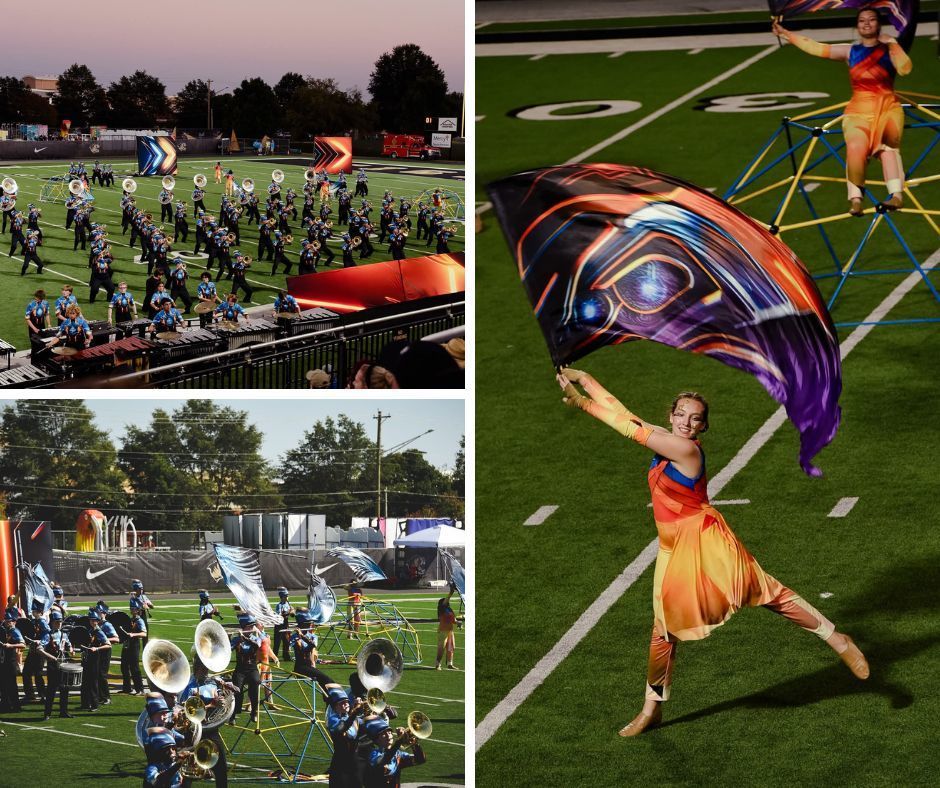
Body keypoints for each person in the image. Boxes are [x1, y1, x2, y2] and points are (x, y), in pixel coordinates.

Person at [556, 369, 870, 737]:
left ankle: (837, 638)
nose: (688, 422)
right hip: (671, 546)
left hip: (703, 537)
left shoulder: (684, 449)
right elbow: (625, 414)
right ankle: (651, 708)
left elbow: (628, 428)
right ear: (671, 415)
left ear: (703, 427)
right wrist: (586, 379)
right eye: (682, 415)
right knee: (662, 630)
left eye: (696, 418)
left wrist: (581, 402)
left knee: (763, 589)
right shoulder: (665, 438)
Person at [772, 9, 912, 215]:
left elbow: (905, 68)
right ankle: (855, 199)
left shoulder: (889, 50)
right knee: (855, 147)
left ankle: (896, 196)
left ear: (879, 25)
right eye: (862, 21)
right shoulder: (850, 52)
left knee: (888, 149)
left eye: (872, 20)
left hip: (887, 108)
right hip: (858, 110)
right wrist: (786, 34)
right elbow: (816, 48)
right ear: (857, 26)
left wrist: (892, 43)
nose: (866, 24)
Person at [364, 717, 427, 787]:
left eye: (389, 732)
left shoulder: (398, 754)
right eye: (383, 733)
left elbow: (420, 760)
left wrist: (414, 744)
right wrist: (399, 741)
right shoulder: (373, 754)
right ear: (377, 739)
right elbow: (384, 760)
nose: (388, 735)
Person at [38, 608, 74, 720]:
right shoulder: (47, 635)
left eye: (60, 622)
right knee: (51, 690)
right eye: (57, 622)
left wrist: (71, 649)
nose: (59, 624)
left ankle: (63, 711)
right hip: (53, 666)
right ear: (52, 622)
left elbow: (69, 645)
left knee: (64, 689)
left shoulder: (64, 634)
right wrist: (51, 657)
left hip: (63, 665)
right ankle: (47, 713)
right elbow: (39, 649)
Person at [325, 686, 365, 787]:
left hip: (355, 763)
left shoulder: (350, 716)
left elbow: (366, 724)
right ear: (335, 707)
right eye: (342, 703)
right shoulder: (333, 719)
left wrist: (382, 714)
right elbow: (341, 729)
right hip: (340, 765)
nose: (346, 704)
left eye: (347, 701)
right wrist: (355, 712)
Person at [230, 614, 263, 724]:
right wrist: (228, 638)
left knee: (256, 681)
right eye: (250, 627)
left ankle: (254, 711)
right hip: (240, 669)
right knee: (237, 689)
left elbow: (257, 645)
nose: (252, 629)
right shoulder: (236, 639)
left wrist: (244, 638)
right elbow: (227, 650)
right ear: (244, 627)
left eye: (253, 626)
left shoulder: (255, 638)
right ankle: (233, 714)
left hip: (252, 668)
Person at [0, 612, 25, 712]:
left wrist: (11, 646)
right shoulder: (3, 630)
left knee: (12, 685)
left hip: (11, 661)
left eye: (9, 621)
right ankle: (5, 704)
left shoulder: (15, 631)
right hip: (3, 661)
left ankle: (16, 706)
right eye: (6, 620)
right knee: (2, 684)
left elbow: (23, 644)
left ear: (13, 622)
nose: (7, 622)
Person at [120, 605, 146, 694]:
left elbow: (144, 634)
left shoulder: (139, 621)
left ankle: (140, 689)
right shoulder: (130, 620)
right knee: (124, 666)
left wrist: (133, 635)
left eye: (133, 608)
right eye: (131, 608)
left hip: (134, 645)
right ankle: (127, 688)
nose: (131, 609)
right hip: (126, 644)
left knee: (134, 668)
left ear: (137, 610)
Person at [434, 591, 459, 670]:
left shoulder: (450, 610)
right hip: (443, 631)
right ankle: (438, 664)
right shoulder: (441, 609)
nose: (447, 601)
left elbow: (453, 620)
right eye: (446, 601)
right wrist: (451, 593)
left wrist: (458, 623)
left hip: (450, 631)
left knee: (451, 647)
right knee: (441, 648)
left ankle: (449, 664)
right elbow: (446, 600)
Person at [273, 588, 294, 661]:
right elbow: (280, 615)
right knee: (277, 642)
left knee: (286, 641)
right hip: (279, 625)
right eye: (286, 596)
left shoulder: (288, 604)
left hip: (285, 624)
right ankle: (274, 657)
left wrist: (292, 611)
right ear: (282, 596)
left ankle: (286, 656)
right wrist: (289, 612)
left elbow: (292, 615)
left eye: (287, 596)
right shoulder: (279, 605)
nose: (287, 597)